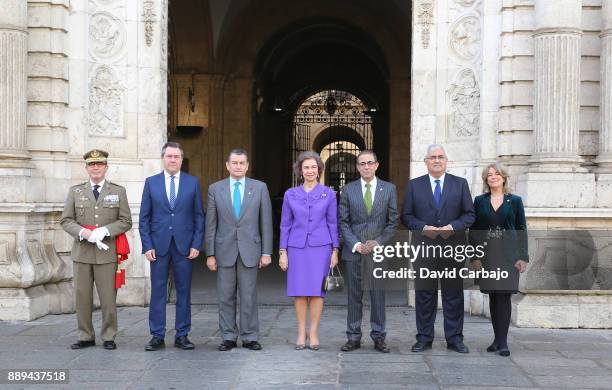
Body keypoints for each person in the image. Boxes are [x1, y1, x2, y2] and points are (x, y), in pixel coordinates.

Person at [401, 144, 475, 353]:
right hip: (424, 249)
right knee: (425, 295)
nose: (436, 160)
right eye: (432, 157)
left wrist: (453, 227)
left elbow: (469, 214)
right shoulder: (415, 185)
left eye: (440, 157)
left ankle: (455, 339)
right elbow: (406, 216)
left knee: (453, 295)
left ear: (446, 161)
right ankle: (424, 338)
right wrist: (423, 228)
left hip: (453, 249)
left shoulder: (460, 184)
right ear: (426, 161)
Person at [60, 149, 132, 350]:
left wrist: (105, 231)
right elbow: (66, 220)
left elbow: (126, 221)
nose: (95, 168)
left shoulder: (118, 191)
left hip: (107, 253)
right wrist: (84, 232)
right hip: (82, 252)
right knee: (82, 297)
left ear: (106, 167)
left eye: (99, 164)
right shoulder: (76, 191)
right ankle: (85, 335)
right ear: (86, 168)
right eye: (92, 165)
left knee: (108, 297)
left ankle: (109, 336)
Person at [205, 149, 273, 351]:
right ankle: (228, 336)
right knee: (225, 296)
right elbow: (211, 224)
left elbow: (266, 222)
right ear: (227, 165)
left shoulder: (260, 188)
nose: (238, 166)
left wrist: (267, 251)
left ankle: (250, 336)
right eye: (234, 163)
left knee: (249, 295)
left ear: (247, 165)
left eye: (242, 163)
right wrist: (209, 254)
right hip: (223, 250)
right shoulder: (215, 189)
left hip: (250, 250)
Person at [139, 142, 205, 351]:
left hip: (184, 246)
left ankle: (182, 335)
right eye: (169, 156)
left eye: (177, 157)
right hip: (158, 246)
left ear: (181, 159)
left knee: (184, 292)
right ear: (163, 158)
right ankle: (157, 335)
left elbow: (199, 216)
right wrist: (147, 245)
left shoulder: (192, 183)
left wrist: (196, 244)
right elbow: (144, 218)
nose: (173, 160)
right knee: (158, 291)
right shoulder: (151, 183)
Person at [338, 150, 398, 353]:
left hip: (378, 251)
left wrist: (378, 242)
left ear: (376, 165)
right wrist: (355, 244)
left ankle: (379, 337)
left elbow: (392, 222)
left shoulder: (389, 189)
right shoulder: (348, 190)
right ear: (357, 167)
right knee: (354, 295)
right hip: (354, 251)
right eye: (361, 163)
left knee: (377, 295)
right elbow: (343, 222)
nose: (366, 167)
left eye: (369, 163)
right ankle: (353, 336)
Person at [279, 151, 340, 351]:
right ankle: (300, 331)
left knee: (316, 293)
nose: (310, 171)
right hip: (296, 248)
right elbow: (285, 225)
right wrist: (283, 251)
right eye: (306, 167)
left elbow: (333, 223)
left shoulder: (328, 194)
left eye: (314, 167)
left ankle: (313, 332)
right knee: (299, 292)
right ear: (300, 170)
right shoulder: (290, 194)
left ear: (319, 169)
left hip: (321, 248)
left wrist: (335, 249)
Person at [470, 163, 528, 357]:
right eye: (489, 175)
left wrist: (523, 256)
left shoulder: (515, 201)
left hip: (508, 256)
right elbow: (474, 230)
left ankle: (503, 342)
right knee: (494, 296)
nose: (493, 177)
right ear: (486, 180)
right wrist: (474, 256)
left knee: (503, 297)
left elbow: (521, 229)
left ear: (504, 178)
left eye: (497, 174)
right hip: (487, 256)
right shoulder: (479, 201)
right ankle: (496, 339)